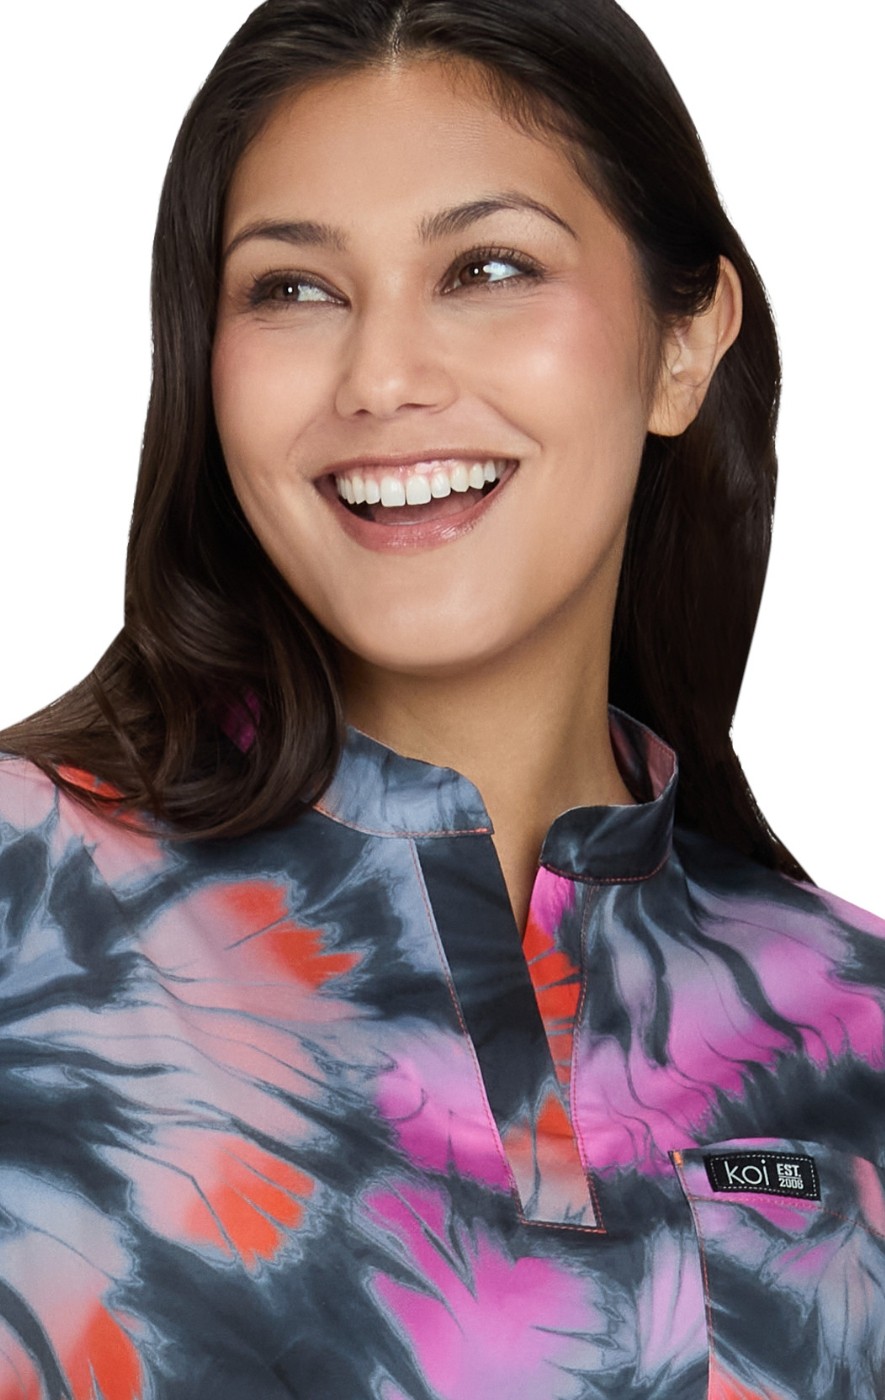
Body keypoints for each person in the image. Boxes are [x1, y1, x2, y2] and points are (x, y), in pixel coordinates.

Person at [0, 1, 882, 1396]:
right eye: (293, 290)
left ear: (682, 344)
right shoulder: (25, 909)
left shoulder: (857, 1026)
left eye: (487, 267)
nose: (382, 380)